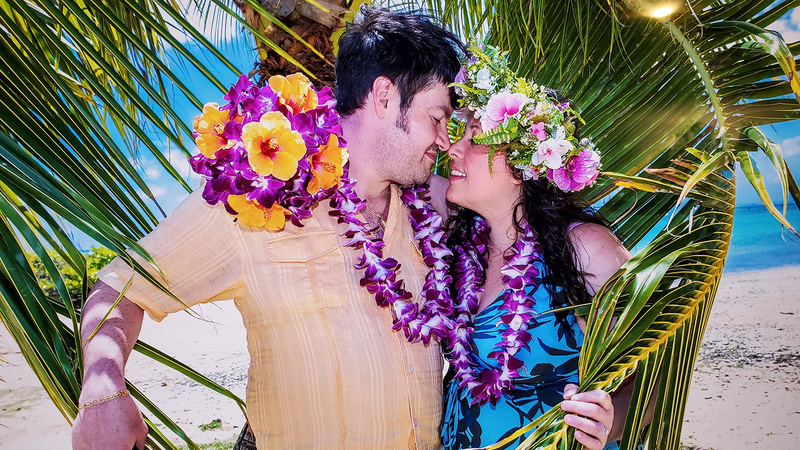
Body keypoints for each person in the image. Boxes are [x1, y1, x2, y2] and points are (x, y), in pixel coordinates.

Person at [71, 6, 463, 449]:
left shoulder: (430, 211)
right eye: (438, 117)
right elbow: (123, 285)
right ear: (384, 96)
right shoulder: (253, 198)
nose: (445, 139)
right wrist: (102, 390)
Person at [435, 44, 635, 450]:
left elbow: (649, 371)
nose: (453, 149)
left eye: (474, 138)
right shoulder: (462, 243)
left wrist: (608, 421)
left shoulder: (583, 247)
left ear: (518, 165)